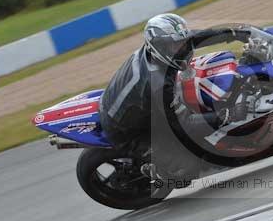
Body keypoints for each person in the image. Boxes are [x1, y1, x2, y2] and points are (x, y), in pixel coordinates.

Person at [99, 14, 250, 185]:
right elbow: (182, 124)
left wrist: (232, 33)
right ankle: (156, 171)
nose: (180, 48)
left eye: (180, 42)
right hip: (128, 130)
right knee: (186, 169)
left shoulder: (157, 51)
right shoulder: (158, 83)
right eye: (174, 45)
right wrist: (224, 115)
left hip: (132, 104)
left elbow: (193, 38)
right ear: (159, 46)